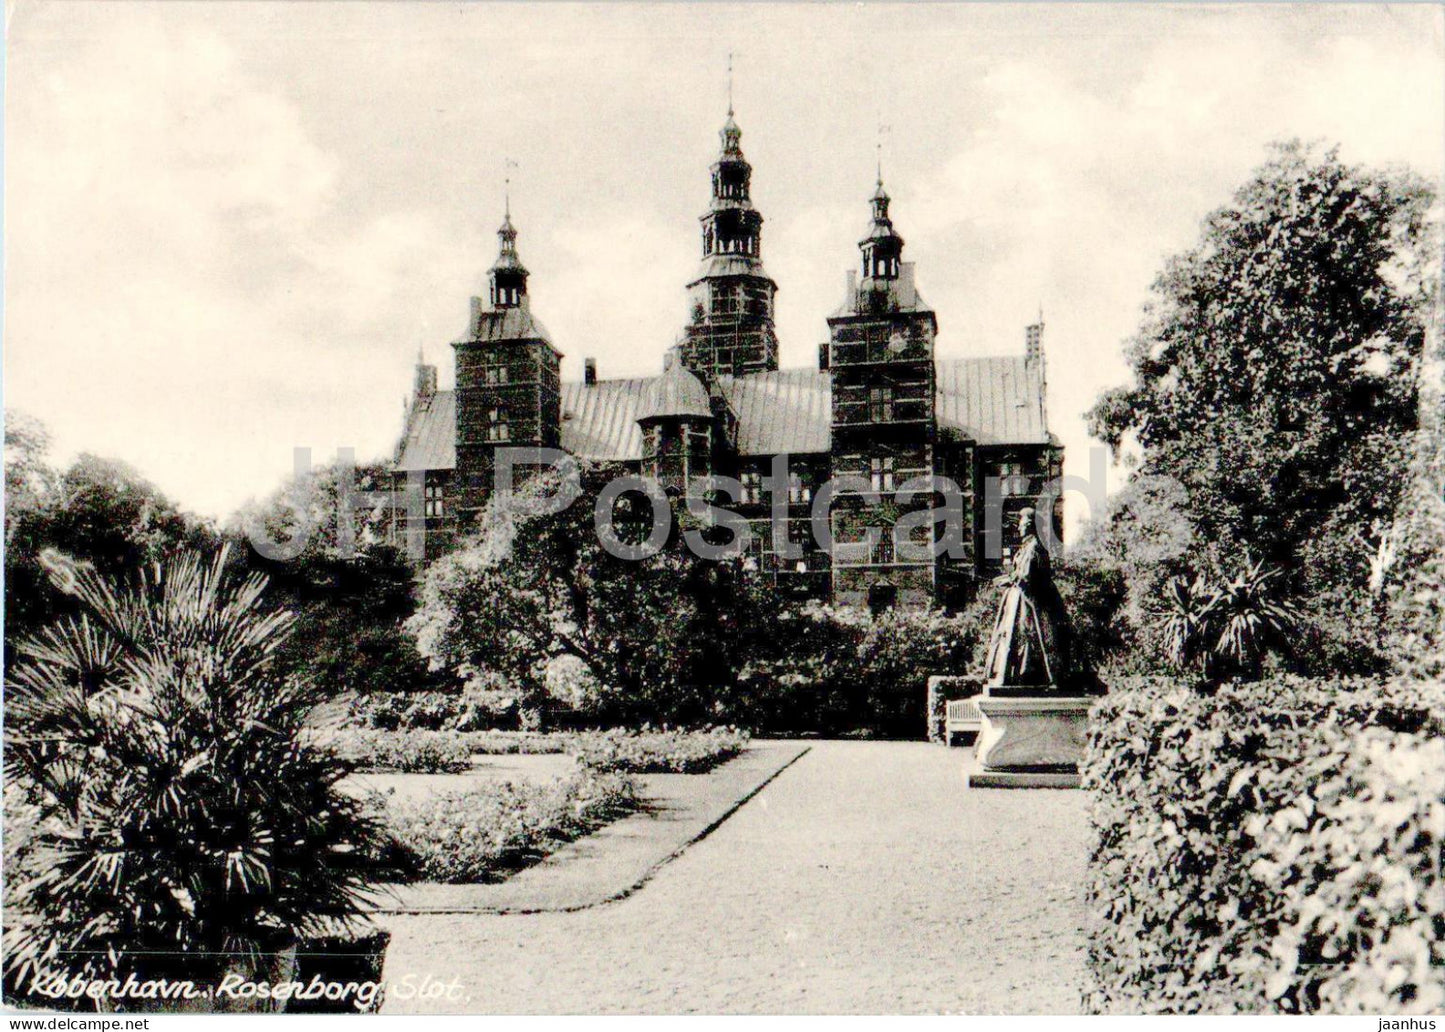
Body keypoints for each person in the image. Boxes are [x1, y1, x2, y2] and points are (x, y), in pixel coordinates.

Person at [982, 506, 1071, 691]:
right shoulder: (1026, 548)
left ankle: (1033, 676)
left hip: (1030, 605)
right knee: (1015, 638)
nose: (1019, 529)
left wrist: (1010, 579)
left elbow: (1029, 578)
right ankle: (1017, 676)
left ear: (1030, 526)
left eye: (1022, 525)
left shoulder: (1035, 548)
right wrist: (1007, 579)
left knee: (1030, 638)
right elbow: (1020, 575)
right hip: (1018, 601)